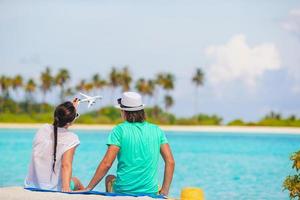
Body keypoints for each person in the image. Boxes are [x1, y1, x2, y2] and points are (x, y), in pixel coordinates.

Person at [86, 91, 175, 196]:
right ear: (141, 110)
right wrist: (164, 192)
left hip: (123, 191)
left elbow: (107, 163)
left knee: (109, 178)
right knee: (155, 185)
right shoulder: (157, 130)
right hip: (150, 192)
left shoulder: (119, 130)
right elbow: (170, 162)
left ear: (124, 111)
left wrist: (89, 188)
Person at [24, 99, 84, 192]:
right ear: (70, 122)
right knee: (76, 182)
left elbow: (63, 122)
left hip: (31, 186)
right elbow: (66, 165)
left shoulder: (42, 129)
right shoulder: (72, 138)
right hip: (53, 189)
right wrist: (66, 189)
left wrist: (72, 110)